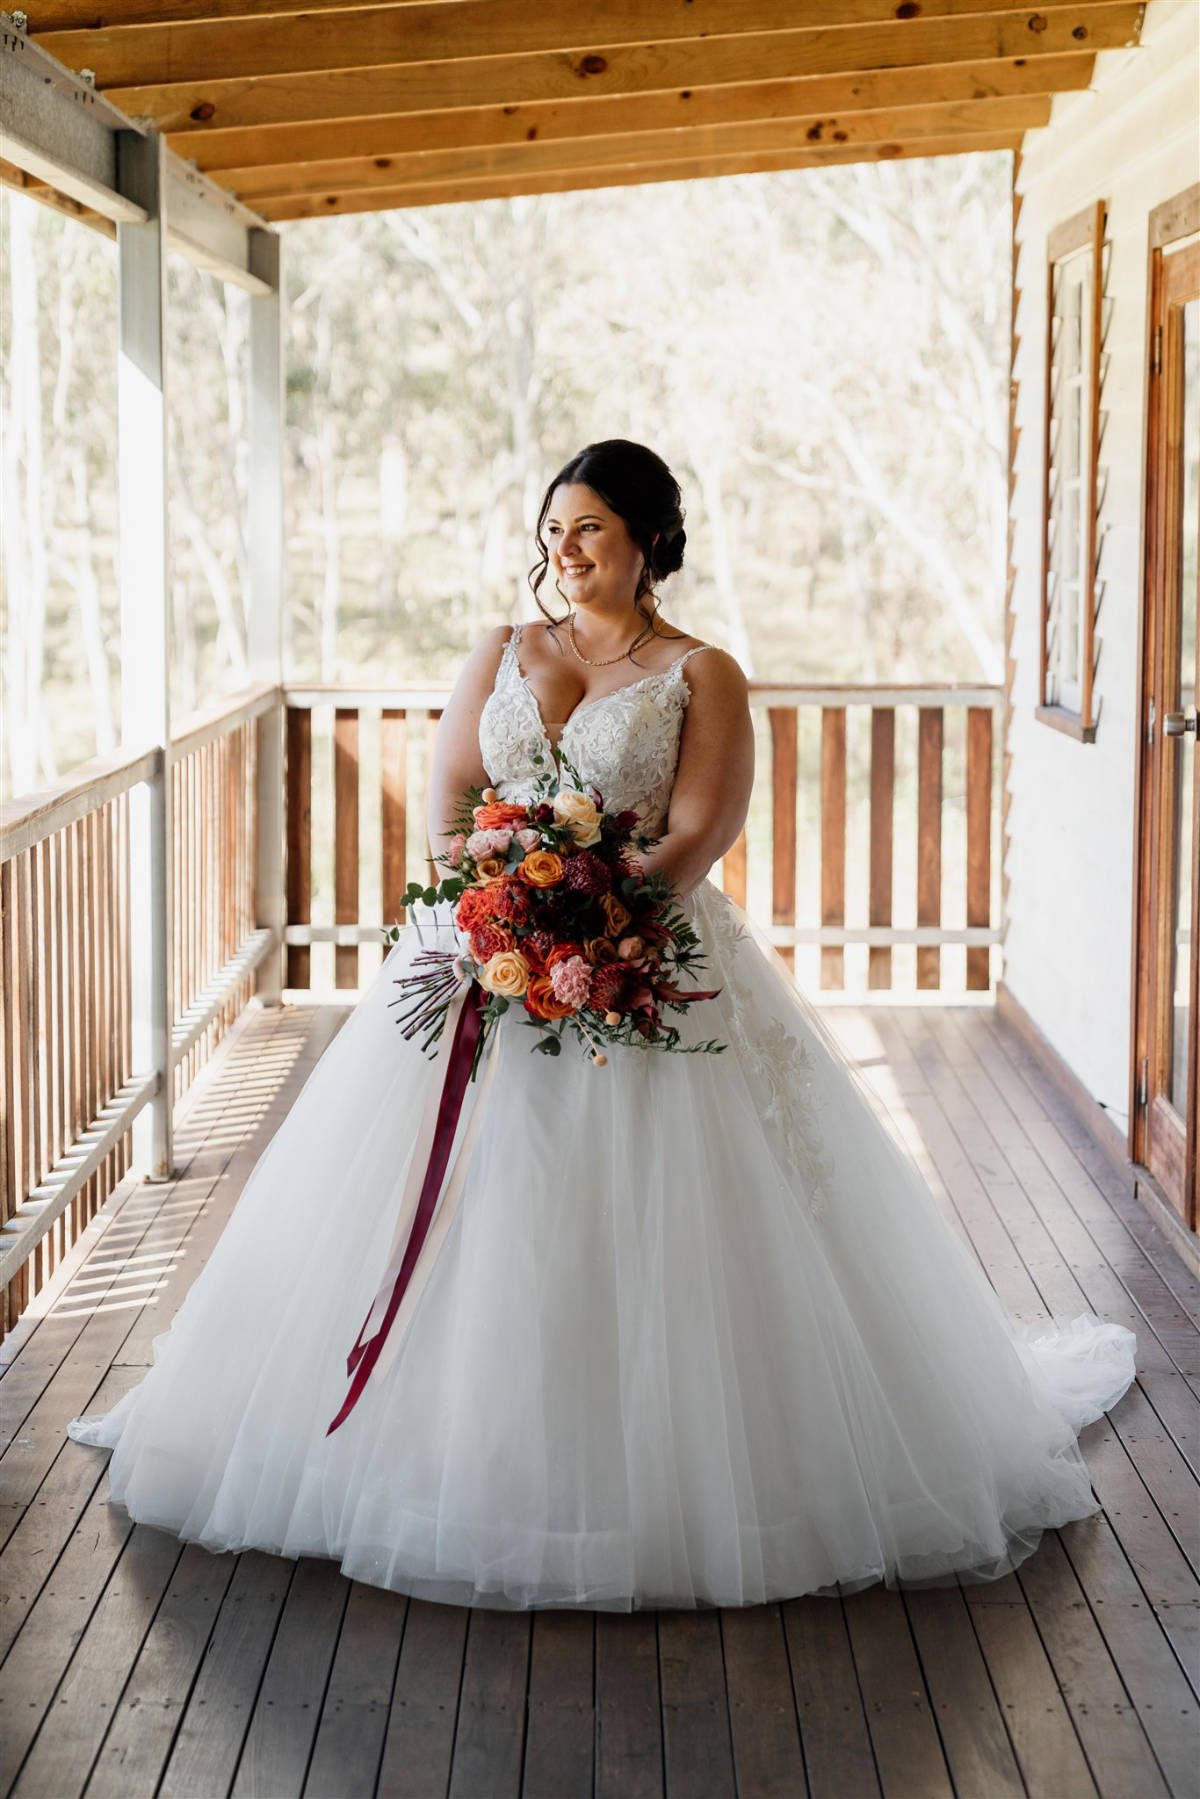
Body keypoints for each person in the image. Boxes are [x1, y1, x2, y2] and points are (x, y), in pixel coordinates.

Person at [68, 438, 1136, 1612]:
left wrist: (597, 923)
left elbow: (696, 832)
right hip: (478, 957)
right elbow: (449, 813)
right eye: (552, 531)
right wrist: (500, 911)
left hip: (644, 954)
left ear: (648, 539)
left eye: (588, 530)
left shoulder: (701, 671)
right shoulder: (502, 651)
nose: (563, 552)